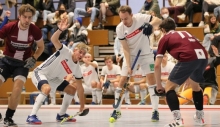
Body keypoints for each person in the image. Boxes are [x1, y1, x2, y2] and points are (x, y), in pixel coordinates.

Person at [26, 17, 89, 124]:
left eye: (83, 54)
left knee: (72, 90)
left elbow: (80, 88)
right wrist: (60, 30)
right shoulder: (65, 51)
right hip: (41, 73)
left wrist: (82, 106)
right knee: (46, 89)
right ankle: (31, 116)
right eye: (80, 52)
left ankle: (61, 114)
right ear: (75, 50)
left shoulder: (77, 68)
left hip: (54, 79)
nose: (81, 55)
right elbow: (54, 40)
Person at [110, 5, 162, 122]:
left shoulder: (140, 18)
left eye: (126, 18)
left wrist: (150, 24)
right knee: (122, 81)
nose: (124, 21)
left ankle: (155, 111)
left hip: (146, 54)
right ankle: (117, 110)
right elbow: (125, 48)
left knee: (151, 79)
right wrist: (128, 65)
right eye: (121, 19)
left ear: (132, 15)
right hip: (131, 55)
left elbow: (159, 20)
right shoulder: (120, 28)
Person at [154, 18, 208, 127]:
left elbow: (156, 65)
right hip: (203, 57)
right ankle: (200, 117)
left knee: (169, 88)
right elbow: (191, 48)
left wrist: (159, 85)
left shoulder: (165, 38)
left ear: (163, 30)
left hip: (189, 58)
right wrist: (188, 73)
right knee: (196, 86)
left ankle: (177, 120)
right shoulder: (185, 32)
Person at [0, 4, 44, 126]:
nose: (27, 20)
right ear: (19, 16)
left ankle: (8, 118)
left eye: (30, 17)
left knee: (18, 88)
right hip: (6, 60)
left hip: (22, 64)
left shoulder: (35, 30)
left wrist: (34, 58)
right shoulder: (10, 27)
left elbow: (41, 47)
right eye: (25, 17)